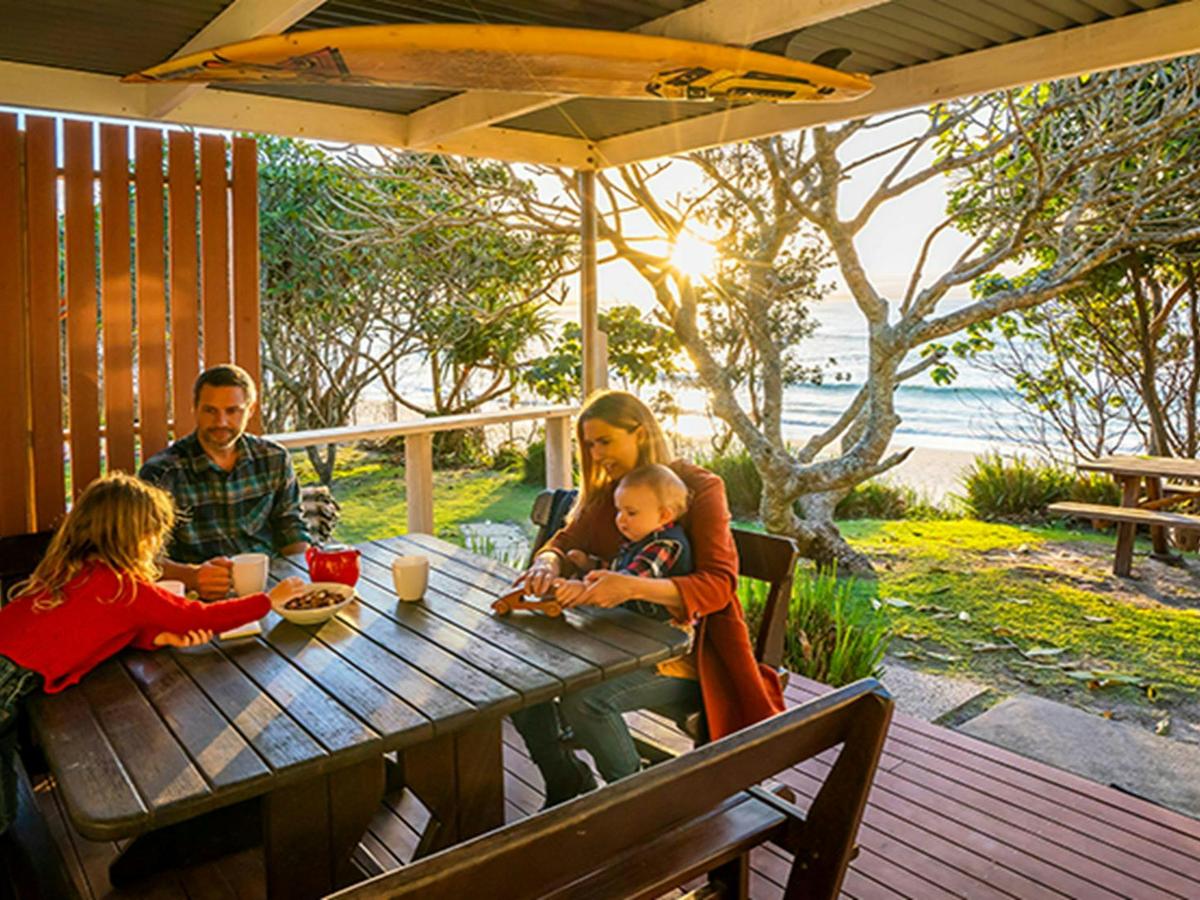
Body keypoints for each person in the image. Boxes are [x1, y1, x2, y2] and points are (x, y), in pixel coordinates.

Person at [513, 391, 784, 806]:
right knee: (522, 682)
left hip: (691, 656)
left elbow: (718, 585)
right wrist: (547, 563)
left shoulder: (699, 487)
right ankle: (566, 779)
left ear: (639, 433)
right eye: (588, 444)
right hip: (616, 643)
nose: (596, 454)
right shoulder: (615, 495)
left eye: (604, 441)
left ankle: (636, 802)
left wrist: (632, 586)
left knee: (584, 701)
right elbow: (565, 540)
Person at [0, 473, 306, 834]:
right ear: (136, 536)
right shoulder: (124, 587)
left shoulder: (75, 570)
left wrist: (156, 638)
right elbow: (203, 615)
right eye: (153, 534)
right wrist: (270, 599)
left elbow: (93, 628)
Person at [139, 364, 310, 599]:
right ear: (195, 409)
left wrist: (302, 576)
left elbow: (291, 528)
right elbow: (140, 555)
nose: (221, 422)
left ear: (250, 410)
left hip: (271, 588)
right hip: (197, 597)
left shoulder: (274, 458)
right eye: (210, 410)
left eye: (232, 411)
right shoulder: (161, 472)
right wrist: (192, 576)